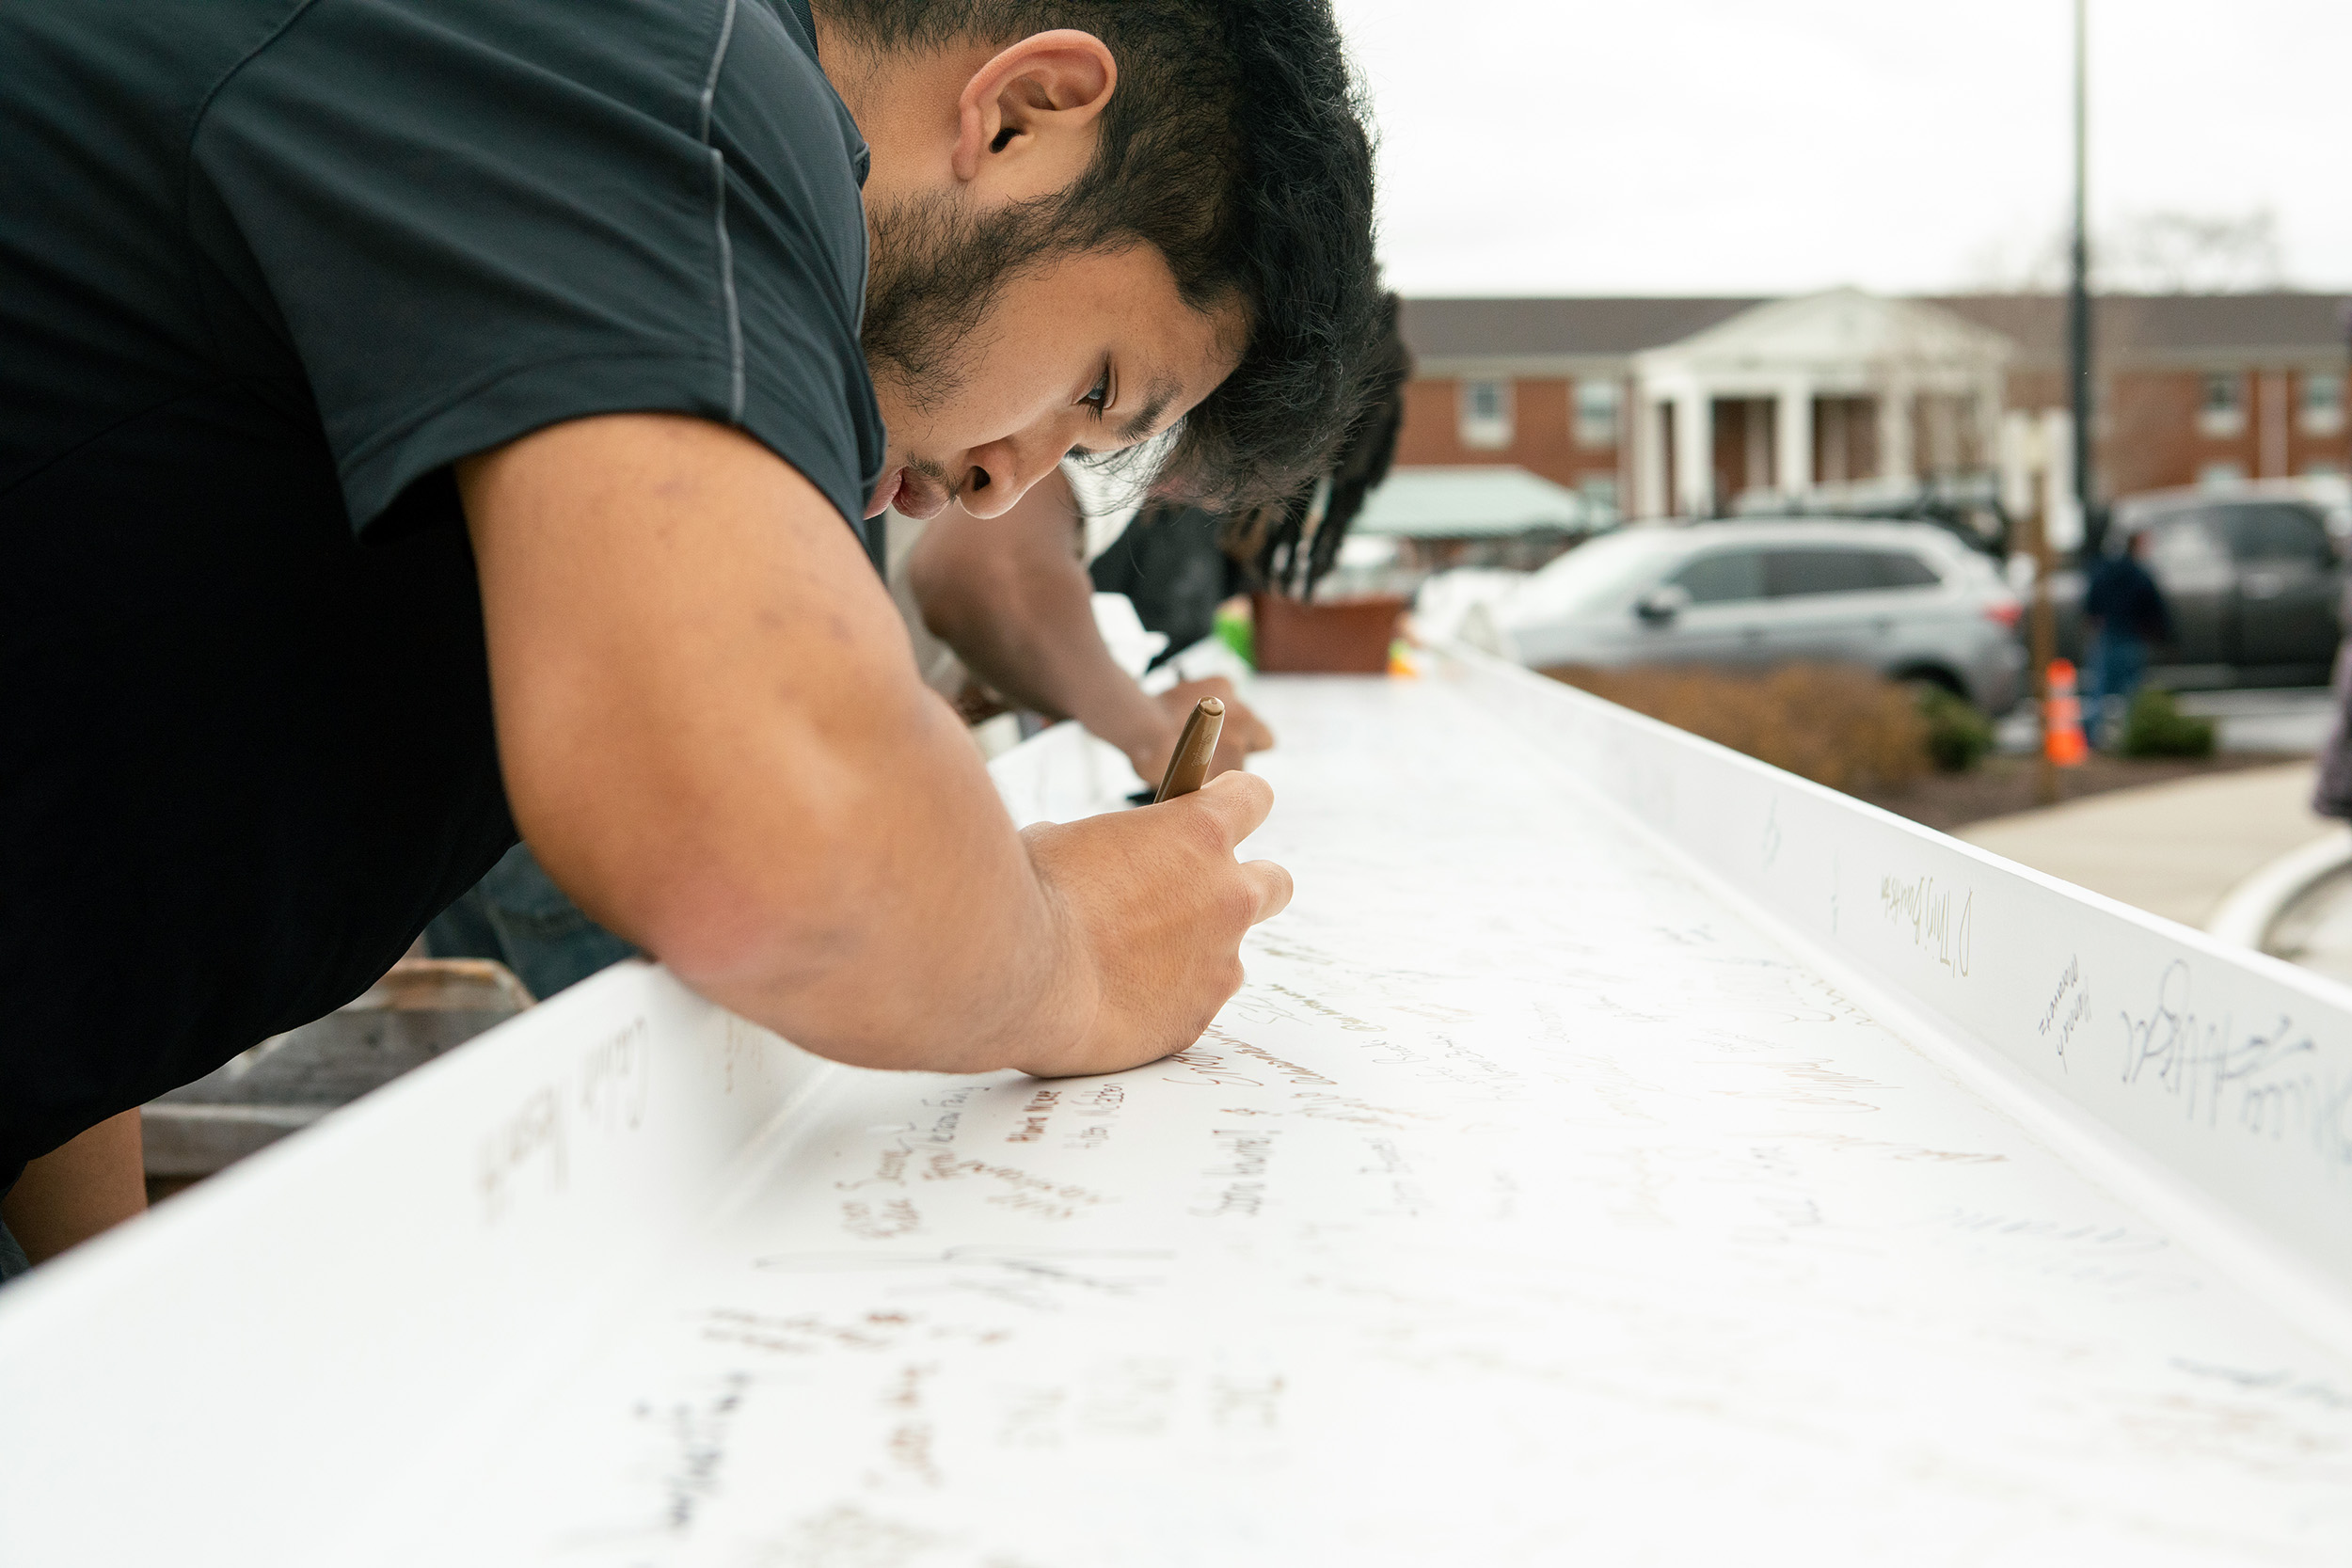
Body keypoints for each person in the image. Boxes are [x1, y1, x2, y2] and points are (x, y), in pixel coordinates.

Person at [0, 0, 1382, 1272]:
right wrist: (1074, 954)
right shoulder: (667, 74)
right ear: (1024, 115)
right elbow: (761, 825)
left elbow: (81, 783)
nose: (1005, 479)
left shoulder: (662, 262)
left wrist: (90, 1307)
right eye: (1094, 390)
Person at [2081, 528, 2173, 746]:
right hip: (2131, 635)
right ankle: (2133, 737)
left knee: (2099, 688)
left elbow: (2091, 601)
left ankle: (2090, 737)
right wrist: (2164, 635)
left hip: (2107, 633)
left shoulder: (2105, 569)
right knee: (2132, 691)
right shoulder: (2140, 574)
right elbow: (2155, 608)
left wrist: (2093, 621)